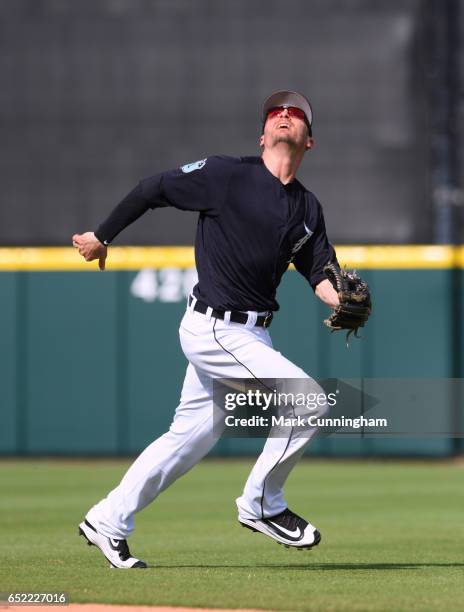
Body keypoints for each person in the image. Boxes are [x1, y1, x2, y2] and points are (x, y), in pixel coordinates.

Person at [72, 90, 340, 569]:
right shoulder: (226, 175)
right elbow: (152, 188)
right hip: (214, 327)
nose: (284, 115)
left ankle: (106, 520)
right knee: (307, 399)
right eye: (276, 113)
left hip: (252, 334)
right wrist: (102, 234)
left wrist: (344, 301)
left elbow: (320, 273)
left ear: (309, 141)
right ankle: (262, 504)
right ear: (262, 135)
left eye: (295, 114)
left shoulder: (306, 208)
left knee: (189, 438)